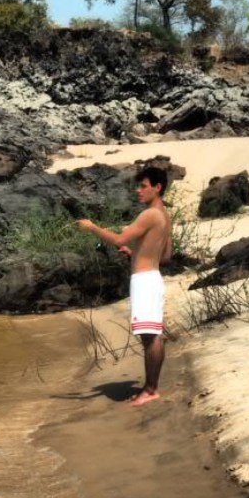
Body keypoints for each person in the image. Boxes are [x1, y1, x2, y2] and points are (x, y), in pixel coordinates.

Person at [75, 166, 174, 407]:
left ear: (157, 187)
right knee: (151, 335)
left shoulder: (149, 215)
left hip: (145, 281)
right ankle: (150, 387)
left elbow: (119, 238)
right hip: (151, 277)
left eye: (143, 186)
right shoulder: (164, 215)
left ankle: (151, 390)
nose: (138, 190)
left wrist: (92, 227)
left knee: (151, 337)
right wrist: (136, 252)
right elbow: (167, 256)